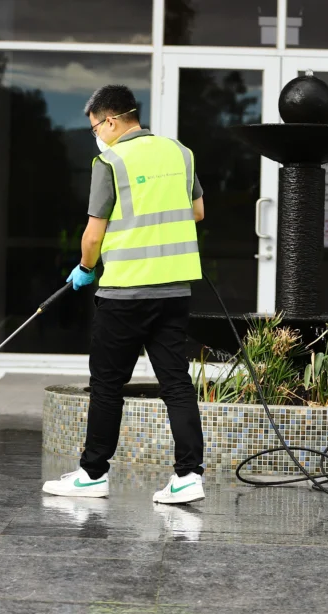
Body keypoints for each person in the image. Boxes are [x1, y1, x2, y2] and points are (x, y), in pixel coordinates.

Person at [42, 84, 206, 505]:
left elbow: (93, 233)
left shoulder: (110, 160)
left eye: (95, 126)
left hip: (125, 293)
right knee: (176, 383)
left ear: (111, 121)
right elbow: (198, 211)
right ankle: (189, 477)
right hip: (174, 289)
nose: (95, 134)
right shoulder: (180, 153)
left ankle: (93, 474)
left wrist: (84, 268)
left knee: (108, 385)